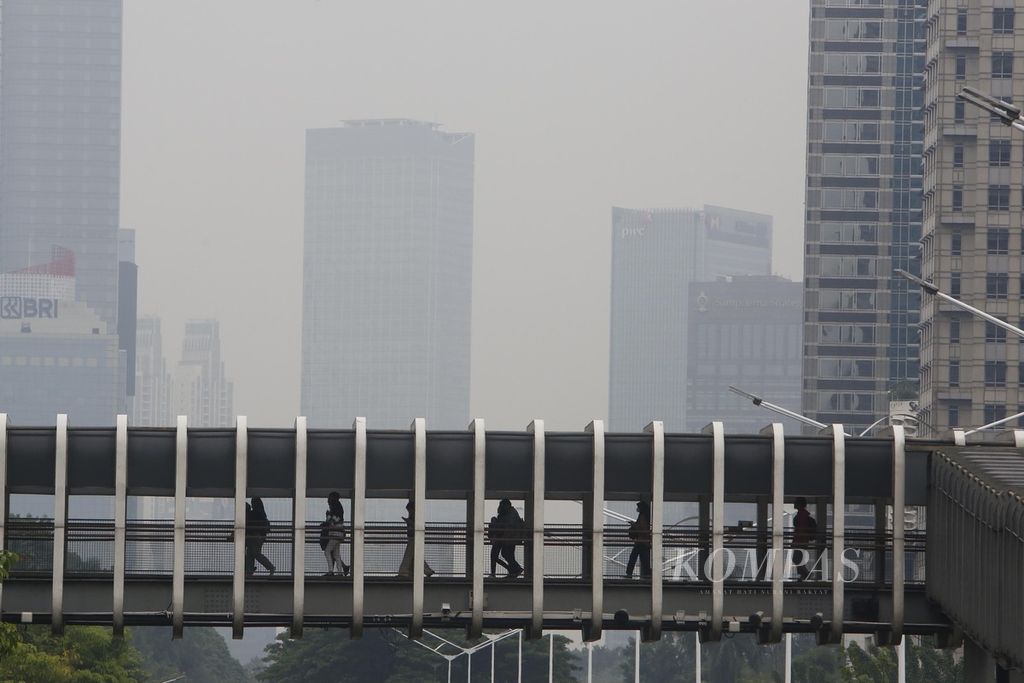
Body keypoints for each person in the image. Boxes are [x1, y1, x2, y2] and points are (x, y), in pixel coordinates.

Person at [398, 500, 434, 578]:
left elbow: (417, 527)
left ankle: (403, 571)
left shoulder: (415, 516)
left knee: (409, 554)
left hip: (414, 538)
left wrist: (409, 522)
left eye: (409, 510)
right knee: (416, 556)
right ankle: (427, 570)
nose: (409, 512)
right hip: (414, 537)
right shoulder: (415, 516)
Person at [489, 499, 524, 579]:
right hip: (506, 538)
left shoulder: (510, 513)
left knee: (505, 554)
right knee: (506, 554)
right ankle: (514, 570)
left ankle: (515, 570)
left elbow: (507, 526)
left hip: (508, 538)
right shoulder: (508, 513)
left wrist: (496, 524)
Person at [245, 497, 275, 576]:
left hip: (254, 536)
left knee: (255, 553)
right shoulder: (261, 513)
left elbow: (248, 522)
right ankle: (249, 571)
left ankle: (270, 567)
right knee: (250, 554)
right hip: (259, 536)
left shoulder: (254, 513)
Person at [323, 491, 349, 577]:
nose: (328, 500)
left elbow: (333, 520)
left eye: (329, 498)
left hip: (335, 532)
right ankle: (340, 572)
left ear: (332, 498)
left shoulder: (334, 507)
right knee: (336, 554)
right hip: (340, 532)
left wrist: (328, 517)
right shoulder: (339, 506)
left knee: (327, 551)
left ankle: (331, 571)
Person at [792, 497, 817, 581]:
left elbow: (800, 530)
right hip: (802, 540)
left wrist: (795, 541)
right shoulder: (802, 514)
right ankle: (804, 575)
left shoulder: (801, 515)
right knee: (798, 559)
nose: (794, 504)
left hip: (800, 541)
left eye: (796, 502)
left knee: (796, 558)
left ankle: (806, 574)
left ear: (800, 504)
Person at [626, 501, 652, 579]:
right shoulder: (645, 516)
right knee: (644, 560)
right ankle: (647, 575)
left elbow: (642, 529)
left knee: (633, 558)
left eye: (638, 507)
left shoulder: (642, 516)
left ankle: (629, 574)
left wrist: (633, 525)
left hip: (641, 542)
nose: (637, 508)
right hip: (644, 542)